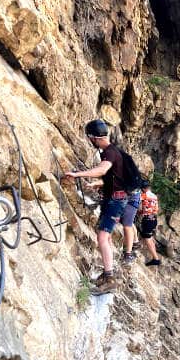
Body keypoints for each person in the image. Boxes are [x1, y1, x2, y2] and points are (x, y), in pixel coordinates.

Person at [64, 119, 130, 294]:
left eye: (89, 138)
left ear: (94, 137)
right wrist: (97, 184)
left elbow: (102, 170)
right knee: (105, 238)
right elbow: (113, 177)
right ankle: (107, 273)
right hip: (115, 198)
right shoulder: (112, 151)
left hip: (116, 201)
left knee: (102, 238)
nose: (89, 141)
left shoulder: (110, 152)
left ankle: (110, 279)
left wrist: (78, 174)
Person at [137, 180, 161, 266]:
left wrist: (139, 212)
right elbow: (155, 209)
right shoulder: (154, 196)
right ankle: (156, 258)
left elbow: (137, 204)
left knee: (147, 239)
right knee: (150, 238)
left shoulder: (143, 195)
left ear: (143, 188)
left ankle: (156, 259)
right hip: (154, 219)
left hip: (147, 220)